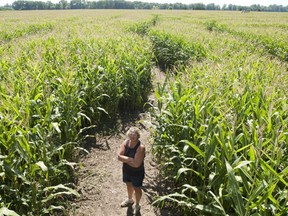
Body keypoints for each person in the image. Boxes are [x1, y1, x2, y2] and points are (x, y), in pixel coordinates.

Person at [118, 127, 145, 215]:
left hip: (137, 173)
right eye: (131, 134)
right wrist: (131, 159)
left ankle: (137, 205)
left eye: (135, 134)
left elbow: (137, 165)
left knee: (137, 188)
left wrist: (125, 160)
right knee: (128, 185)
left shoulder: (141, 147)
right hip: (126, 170)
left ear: (138, 136)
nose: (132, 136)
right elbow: (119, 157)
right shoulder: (125, 142)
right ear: (128, 135)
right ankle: (130, 200)